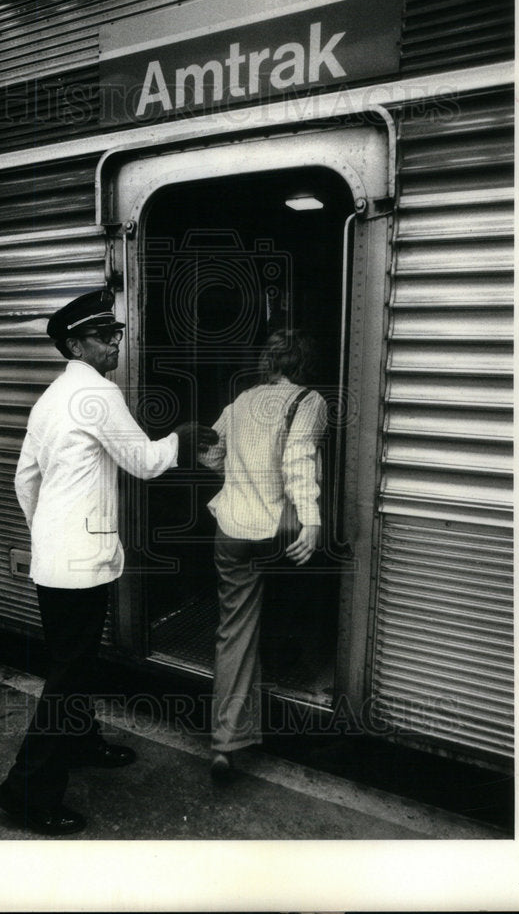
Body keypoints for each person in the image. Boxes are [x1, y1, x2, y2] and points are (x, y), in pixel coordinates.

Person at [0, 287, 216, 834]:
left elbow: (24, 478)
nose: (115, 344)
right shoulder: (97, 393)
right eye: (102, 336)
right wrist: (182, 439)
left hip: (56, 559)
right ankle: (25, 792)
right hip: (80, 562)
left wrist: (47, 532)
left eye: (116, 334)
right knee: (69, 674)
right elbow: (143, 461)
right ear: (75, 344)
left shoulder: (50, 398)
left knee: (75, 661)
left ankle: (83, 741)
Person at [199, 330, 328, 781]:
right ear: (303, 363)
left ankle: (225, 742)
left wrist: (239, 475)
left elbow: (210, 453)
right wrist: (311, 520)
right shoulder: (309, 401)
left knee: (234, 628)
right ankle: (304, 688)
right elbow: (299, 461)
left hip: (231, 529)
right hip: (278, 530)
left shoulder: (240, 403)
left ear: (267, 362)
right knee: (302, 598)